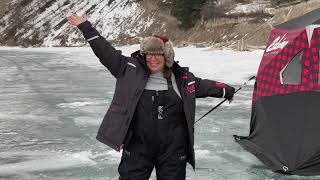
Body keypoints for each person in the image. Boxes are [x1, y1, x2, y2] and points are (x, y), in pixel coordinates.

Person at [68, 15, 235, 180]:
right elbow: (105, 51)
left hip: (174, 149)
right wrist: (85, 26)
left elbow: (206, 86)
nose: (153, 58)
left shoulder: (182, 79)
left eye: (158, 54)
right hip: (137, 146)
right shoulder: (128, 70)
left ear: (167, 56)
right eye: (149, 53)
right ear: (143, 54)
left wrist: (226, 91)